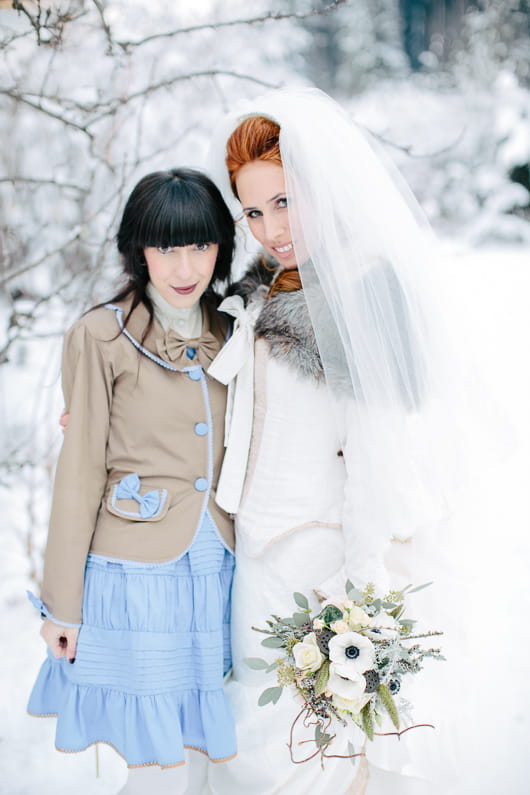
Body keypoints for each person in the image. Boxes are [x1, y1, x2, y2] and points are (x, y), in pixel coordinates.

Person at [203, 88, 500, 794]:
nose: (270, 227)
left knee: (319, 752)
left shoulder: (364, 300)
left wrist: (359, 598)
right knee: (255, 745)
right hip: (254, 559)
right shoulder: (261, 293)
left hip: (325, 567)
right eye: (252, 209)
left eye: (284, 201)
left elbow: (379, 461)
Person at [27, 168, 237, 794]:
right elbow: (80, 469)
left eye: (200, 245)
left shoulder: (235, 330)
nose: (184, 266)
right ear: (138, 249)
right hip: (136, 574)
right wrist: (62, 604)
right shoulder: (100, 335)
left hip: (220, 567)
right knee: (157, 769)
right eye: (166, 246)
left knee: (210, 756)